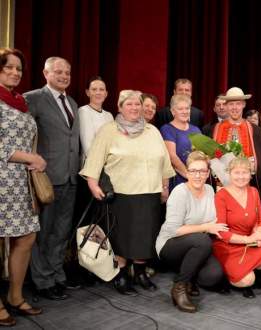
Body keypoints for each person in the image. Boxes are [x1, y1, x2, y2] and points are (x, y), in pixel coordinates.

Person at [80, 90, 175, 295]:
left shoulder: (152, 131)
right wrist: (93, 184)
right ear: (120, 107)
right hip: (122, 195)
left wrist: (165, 187)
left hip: (150, 192)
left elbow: (165, 163)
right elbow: (94, 159)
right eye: (129, 104)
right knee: (121, 237)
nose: (134, 108)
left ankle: (140, 272)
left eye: (137, 104)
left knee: (145, 236)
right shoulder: (109, 130)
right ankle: (121, 274)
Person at [24, 56, 80, 301]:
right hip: (45, 177)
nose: (64, 76)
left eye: (67, 72)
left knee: (62, 231)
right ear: (45, 73)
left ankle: (57, 275)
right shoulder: (32, 98)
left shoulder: (73, 103)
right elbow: (23, 135)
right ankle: (42, 280)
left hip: (70, 178)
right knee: (44, 231)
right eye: (58, 71)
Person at [0, 47, 44, 326]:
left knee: (26, 237)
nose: (15, 72)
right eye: (8, 67)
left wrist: (35, 160)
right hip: (1, 180)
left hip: (19, 184)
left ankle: (15, 296)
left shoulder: (19, 102)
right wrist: (30, 156)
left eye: (18, 68)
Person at [156, 151, 226, 313]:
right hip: (170, 245)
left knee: (213, 275)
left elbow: (215, 220)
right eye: (193, 171)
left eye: (202, 171)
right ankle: (179, 287)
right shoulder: (180, 192)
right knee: (202, 240)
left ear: (208, 173)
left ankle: (191, 277)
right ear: (187, 172)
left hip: (197, 246)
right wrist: (206, 227)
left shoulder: (209, 190)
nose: (197, 175)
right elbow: (174, 229)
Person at [213, 157, 261, 298]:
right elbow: (221, 233)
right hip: (228, 245)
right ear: (229, 174)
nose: (241, 177)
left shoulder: (253, 192)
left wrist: (259, 234)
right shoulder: (221, 195)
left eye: (245, 172)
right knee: (248, 280)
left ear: (250, 174)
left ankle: (242, 273)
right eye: (237, 173)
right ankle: (231, 277)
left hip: (249, 242)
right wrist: (249, 239)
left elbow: (260, 220)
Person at [213, 87, 261, 206]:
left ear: (244, 104)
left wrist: (254, 165)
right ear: (226, 106)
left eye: (238, 103)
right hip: (221, 186)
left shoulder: (256, 131)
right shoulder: (213, 129)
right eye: (231, 104)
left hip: (247, 185)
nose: (234, 107)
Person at [161, 94, 201, 191]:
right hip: (177, 179)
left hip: (196, 179)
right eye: (180, 109)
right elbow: (172, 157)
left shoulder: (196, 130)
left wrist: (198, 175)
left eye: (187, 108)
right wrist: (189, 176)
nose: (185, 112)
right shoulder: (167, 129)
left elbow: (201, 155)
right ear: (173, 111)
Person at [78, 76, 114, 164]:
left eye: (101, 89)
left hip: (109, 164)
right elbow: (88, 147)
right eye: (94, 89)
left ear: (106, 93)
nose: (98, 92)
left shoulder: (109, 115)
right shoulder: (83, 111)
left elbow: (113, 142)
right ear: (87, 92)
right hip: (91, 166)